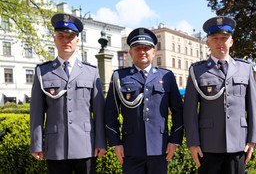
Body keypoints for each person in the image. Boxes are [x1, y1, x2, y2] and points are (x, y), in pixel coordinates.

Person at [30, 13, 106, 174]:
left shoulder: (91, 72)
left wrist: (101, 142)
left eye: (70, 37)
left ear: (77, 40)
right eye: (61, 36)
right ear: (55, 39)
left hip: (86, 145)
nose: (66, 40)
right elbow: (36, 112)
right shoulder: (42, 72)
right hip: (56, 146)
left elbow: (99, 111)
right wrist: (36, 144)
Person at [183, 16, 256, 174]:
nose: (220, 42)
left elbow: (253, 107)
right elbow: (190, 111)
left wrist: (252, 139)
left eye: (224, 38)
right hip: (207, 146)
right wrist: (193, 143)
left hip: (238, 144)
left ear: (231, 41)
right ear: (207, 43)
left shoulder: (245, 68)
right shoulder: (197, 71)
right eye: (215, 38)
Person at [105, 27, 183, 174]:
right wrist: (116, 143)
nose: (142, 52)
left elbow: (178, 111)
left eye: (146, 48)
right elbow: (110, 113)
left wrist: (174, 140)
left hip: (160, 148)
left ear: (153, 52)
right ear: (130, 52)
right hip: (130, 149)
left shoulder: (166, 76)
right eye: (138, 48)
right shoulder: (119, 77)